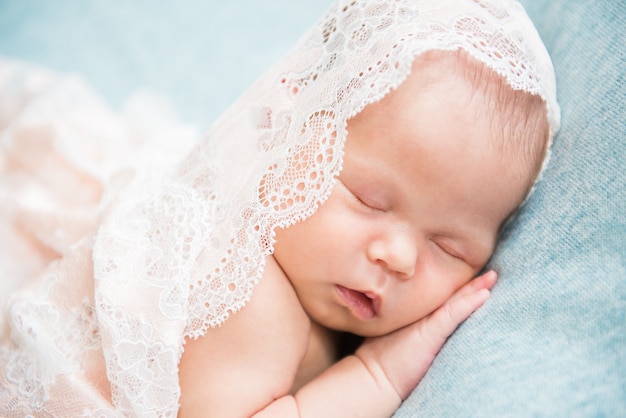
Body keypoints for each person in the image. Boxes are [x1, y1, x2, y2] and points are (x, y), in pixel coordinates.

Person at [0, 0, 559, 416]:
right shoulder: (255, 305)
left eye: (449, 247)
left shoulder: (306, 268)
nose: (398, 257)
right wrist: (378, 375)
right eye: (367, 199)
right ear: (290, 135)